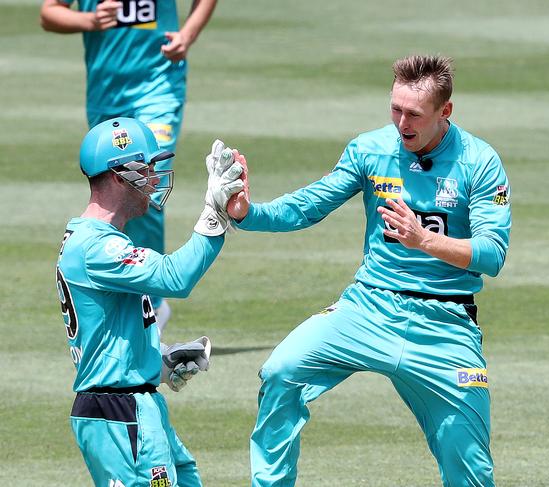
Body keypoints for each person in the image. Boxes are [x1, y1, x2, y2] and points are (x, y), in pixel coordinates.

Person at [226, 54, 511, 486]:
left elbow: (492, 254)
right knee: (281, 372)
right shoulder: (370, 149)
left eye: (414, 114)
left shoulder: (480, 162)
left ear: (445, 112)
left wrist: (424, 240)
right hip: (368, 308)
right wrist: (248, 212)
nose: (402, 123)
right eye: (395, 109)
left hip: (445, 326)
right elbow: (310, 205)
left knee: (469, 465)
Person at [55, 117, 243, 486]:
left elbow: (108, 335)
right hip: (120, 412)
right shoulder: (97, 247)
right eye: (147, 168)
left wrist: (159, 361)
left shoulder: (98, 240)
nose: (155, 179)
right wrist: (214, 212)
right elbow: (176, 277)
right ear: (116, 175)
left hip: (133, 406)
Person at [41, 0, 218, 333]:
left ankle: (153, 299)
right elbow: (50, 13)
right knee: (114, 185)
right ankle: (125, 292)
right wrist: (90, 19)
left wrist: (188, 34)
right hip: (106, 93)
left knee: (145, 176)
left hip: (159, 84)